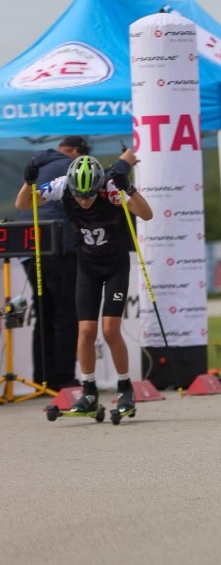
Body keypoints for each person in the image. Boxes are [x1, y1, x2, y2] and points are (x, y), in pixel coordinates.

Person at [17, 154, 153, 418]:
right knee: (86, 331)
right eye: (79, 196)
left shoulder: (110, 188)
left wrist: (129, 188)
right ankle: (89, 391)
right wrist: (28, 182)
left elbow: (147, 214)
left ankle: (125, 388)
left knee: (110, 330)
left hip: (115, 266)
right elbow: (23, 204)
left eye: (89, 195)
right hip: (88, 266)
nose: (84, 201)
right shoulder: (62, 186)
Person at [16, 135, 92, 389]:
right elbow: (97, 188)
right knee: (66, 313)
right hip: (59, 248)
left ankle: (42, 379)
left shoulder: (37, 165)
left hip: (28, 248)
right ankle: (63, 379)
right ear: (76, 152)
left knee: (43, 315)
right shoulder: (70, 166)